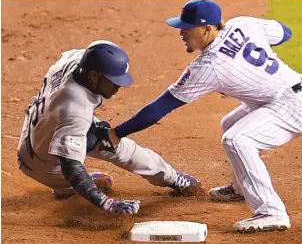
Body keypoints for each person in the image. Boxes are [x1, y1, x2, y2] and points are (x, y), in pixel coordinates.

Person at [111, 0, 302, 232]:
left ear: (207, 29)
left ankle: (271, 212)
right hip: (286, 95)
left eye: (187, 28)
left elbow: (160, 107)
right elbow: (285, 33)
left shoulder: (209, 65)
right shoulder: (243, 24)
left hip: (293, 107)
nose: (181, 33)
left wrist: (117, 133)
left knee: (237, 140)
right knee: (230, 123)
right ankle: (241, 188)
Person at [17, 40, 199, 216]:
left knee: (105, 139)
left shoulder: (74, 59)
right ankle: (64, 186)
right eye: (113, 81)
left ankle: (172, 177)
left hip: (36, 132)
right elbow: (70, 166)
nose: (118, 86)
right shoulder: (75, 109)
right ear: (94, 75)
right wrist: (108, 204)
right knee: (104, 146)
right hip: (43, 164)